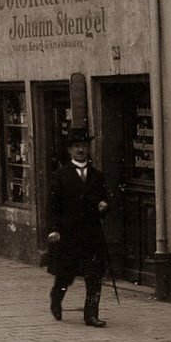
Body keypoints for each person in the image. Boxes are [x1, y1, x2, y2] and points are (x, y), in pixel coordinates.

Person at [46, 127, 111, 328]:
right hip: (69, 234)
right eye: (76, 147)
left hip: (92, 234)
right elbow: (53, 206)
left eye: (83, 146)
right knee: (66, 275)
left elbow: (105, 200)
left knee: (94, 275)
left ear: (88, 149)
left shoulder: (97, 176)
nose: (80, 150)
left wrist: (104, 206)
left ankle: (91, 315)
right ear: (70, 151)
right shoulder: (60, 176)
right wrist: (54, 229)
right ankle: (56, 298)